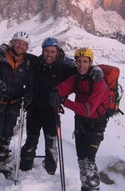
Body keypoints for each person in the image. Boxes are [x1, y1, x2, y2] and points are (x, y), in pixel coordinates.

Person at [20, 38, 104, 175]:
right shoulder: (35, 63)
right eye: (46, 51)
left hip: (51, 111)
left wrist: (96, 68)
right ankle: (24, 170)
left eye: (52, 51)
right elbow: (18, 53)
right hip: (34, 109)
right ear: (42, 51)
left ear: (57, 52)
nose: (49, 54)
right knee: (31, 140)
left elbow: (82, 69)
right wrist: (4, 48)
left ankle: (50, 172)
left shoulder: (65, 68)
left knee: (51, 143)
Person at [49, 47, 109, 191]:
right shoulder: (77, 78)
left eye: (85, 62)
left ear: (90, 63)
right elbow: (64, 87)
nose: (81, 65)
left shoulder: (99, 83)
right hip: (80, 122)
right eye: (79, 61)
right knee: (81, 157)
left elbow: (88, 109)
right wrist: (56, 92)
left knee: (89, 159)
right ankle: (85, 188)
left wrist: (64, 101)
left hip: (95, 124)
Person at [0, 31, 33, 180]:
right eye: (18, 42)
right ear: (12, 42)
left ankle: (1, 160)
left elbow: (29, 82)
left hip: (14, 103)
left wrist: (29, 95)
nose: (20, 46)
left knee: (6, 133)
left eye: (24, 44)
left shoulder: (27, 62)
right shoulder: (1, 56)